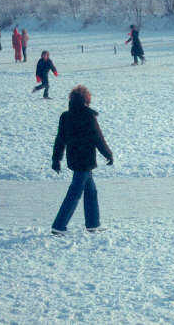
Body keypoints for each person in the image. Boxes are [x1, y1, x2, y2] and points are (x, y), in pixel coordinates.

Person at [50, 85, 113, 235]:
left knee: (91, 190)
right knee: (75, 193)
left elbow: (60, 139)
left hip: (74, 158)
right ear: (86, 100)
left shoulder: (65, 116)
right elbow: (98, 138)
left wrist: (56, 159)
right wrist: (108, 154)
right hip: (85, 160)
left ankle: (93, 224)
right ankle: (59, 226)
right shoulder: (88, 116)